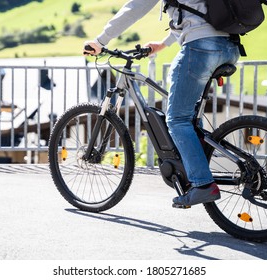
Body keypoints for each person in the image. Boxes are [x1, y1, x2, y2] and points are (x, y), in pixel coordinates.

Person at [83, 0, 240, 207]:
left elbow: (136, 7)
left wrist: (100, 41)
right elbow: (196, 14)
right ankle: (193, 170)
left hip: (201, 48)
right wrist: (163, 44)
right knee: (190, 118)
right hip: (229, 47)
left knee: (177, 120)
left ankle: (203, 185)